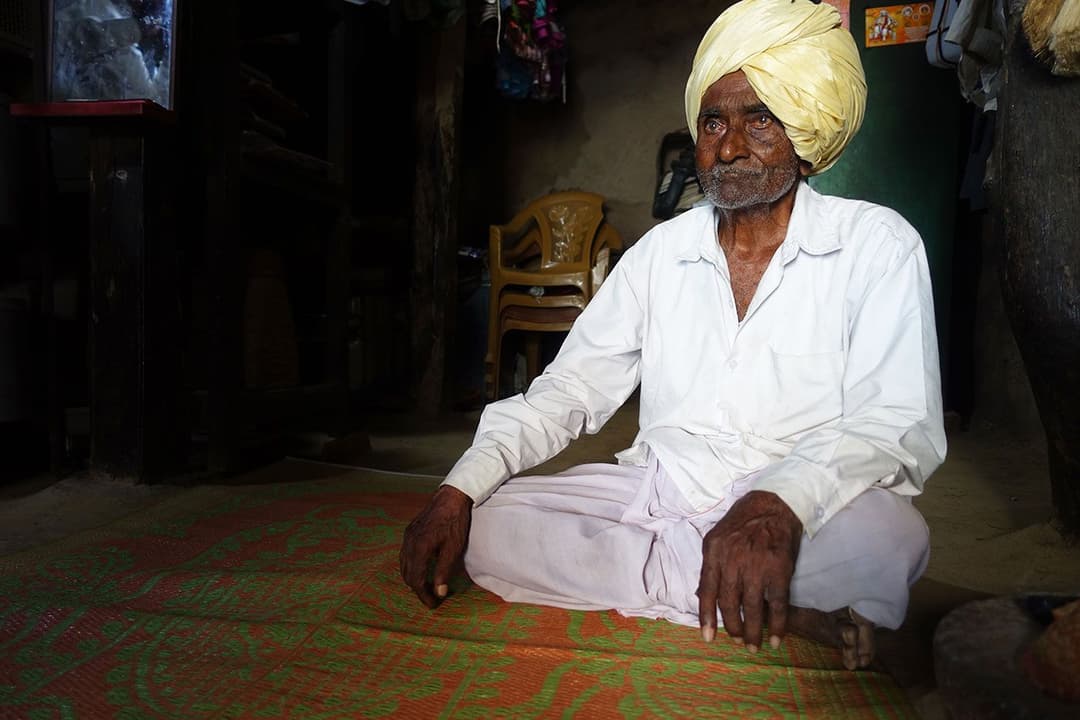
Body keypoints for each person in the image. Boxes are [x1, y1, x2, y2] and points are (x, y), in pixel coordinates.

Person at [400, 0, 946, 671]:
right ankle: (755, 599)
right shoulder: (663, 253)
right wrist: (456, 489)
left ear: (806, 137)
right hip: (658, 490)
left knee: (893, 541)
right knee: (487, 527)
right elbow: (569, 391)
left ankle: (707, 575)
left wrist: (778, 503)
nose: (729, 145)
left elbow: (893, 423)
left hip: (794, 496)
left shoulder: (877, 246)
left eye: (760, 120)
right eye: (713, 121)